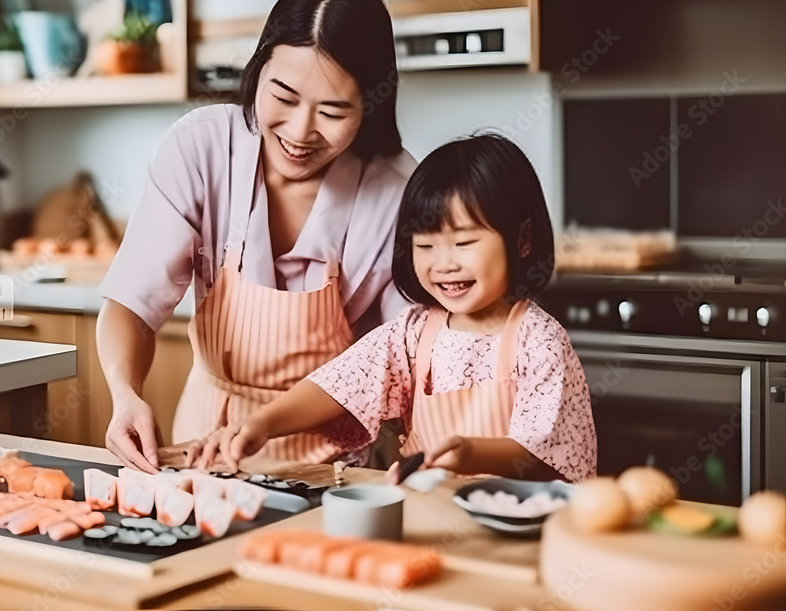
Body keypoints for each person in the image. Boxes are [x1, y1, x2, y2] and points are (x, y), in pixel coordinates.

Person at [97, 0, 417, 472]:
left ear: (371, 106)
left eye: (333, 112)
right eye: (283, 96)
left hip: (334, 467)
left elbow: (410, 356)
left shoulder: (398, 193)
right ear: (258, 68)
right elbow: (132, 302)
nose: (299, 131)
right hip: (201, 447)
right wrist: (124, 391)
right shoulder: (202, 147)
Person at [193, 134, 598, 483]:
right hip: (429, 513)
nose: (444, 263)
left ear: (523, 240)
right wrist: (263, 424)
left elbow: (544, 452)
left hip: (514, 523)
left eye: (464, 243)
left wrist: (471, 453)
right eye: (426, 246)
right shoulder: (415, 332)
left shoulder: (538, 339)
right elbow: (341, 384)